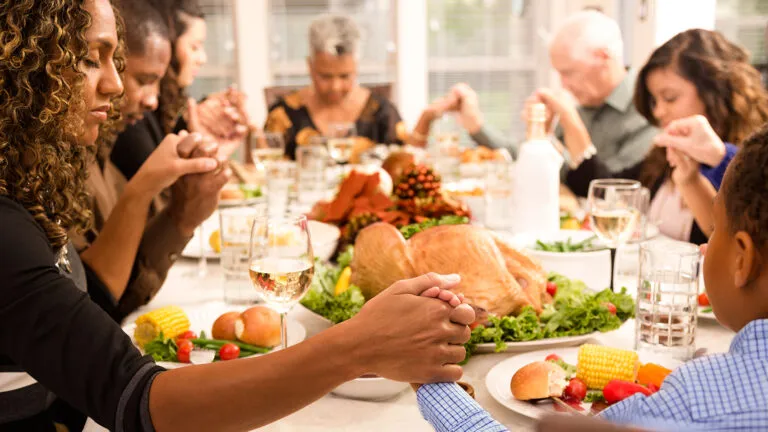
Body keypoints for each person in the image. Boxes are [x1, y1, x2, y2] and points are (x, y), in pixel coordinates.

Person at [0, 1, 474, 429]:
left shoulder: (26, 189)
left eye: (114, 59)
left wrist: (185, 212)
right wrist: (357, 347)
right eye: (89, 58)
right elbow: (141, 402)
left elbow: (95, 305)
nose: (117, 84)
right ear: (18, 62)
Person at [416, 124, 768, 431]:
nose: (704, 249)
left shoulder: (694, 400)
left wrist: (431, 380)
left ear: (743, 258)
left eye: (714, 226)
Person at [75, 0, 228, 321]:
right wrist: (146, 193)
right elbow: (88, 310)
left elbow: (124, 285)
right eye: (91, 60)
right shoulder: (58, 161)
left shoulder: (99, 149)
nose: (153, 99)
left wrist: (181, 218)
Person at [567, 29, 768, 244]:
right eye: (654, 101)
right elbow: (610, 188)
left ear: (715, 94)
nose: (658, 112)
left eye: (670, 98)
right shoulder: (664, 157)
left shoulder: (754, 159)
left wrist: (717, 156)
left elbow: (733, 242)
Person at [423, 10, 656, 183]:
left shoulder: (650, 108)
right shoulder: (586, 104)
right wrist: (477, 127)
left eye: (569, 72)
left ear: (604, 57)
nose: (563, 84)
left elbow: (610, 190)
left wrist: (569, 123)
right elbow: (543, 167)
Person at [110, 0, 249, 181]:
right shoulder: (133, 114)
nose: (202, 58)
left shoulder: (167, 108)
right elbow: (159, 195)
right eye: (194, 47)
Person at [264, 14, 408, 160]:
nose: (335, 86)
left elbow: (405, 163)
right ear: (310, 66)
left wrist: (424, 121)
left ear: (356, 67)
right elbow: (263, 170)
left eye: (345, 76)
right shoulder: (283, 114)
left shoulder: (382, 112)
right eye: (325, 76)